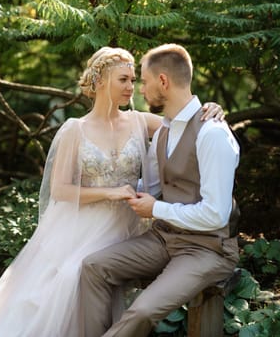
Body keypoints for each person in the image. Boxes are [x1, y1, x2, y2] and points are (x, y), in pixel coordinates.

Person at [0, 46, 224, 337]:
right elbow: (60, 189)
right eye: (123, 80)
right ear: (100, 81)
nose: (132, 87)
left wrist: (211, 107)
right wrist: (108, 193)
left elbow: (185, 123)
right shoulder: (75, 129)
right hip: (85, 223)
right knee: (71, 274)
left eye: (134, 80)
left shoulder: (140, 121)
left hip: (129, 225)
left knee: (93, 272)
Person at [80, 43, 241, 337]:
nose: (140, 89)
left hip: (208, 249)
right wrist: (103, 189)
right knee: (93, 266)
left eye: (143, 81)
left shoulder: (212, 133)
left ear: (163, 81)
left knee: (141, 310)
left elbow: (217, 215)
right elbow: (150, 187)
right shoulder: (164, 130)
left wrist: (156, 209)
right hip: (165, 239)